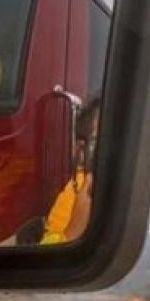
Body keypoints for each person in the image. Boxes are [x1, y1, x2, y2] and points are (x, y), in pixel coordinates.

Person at [41, 100, 100, 245]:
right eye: (100, 141)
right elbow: (45, 249)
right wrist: (74, 232)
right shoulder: (79, 191)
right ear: (81, 151)